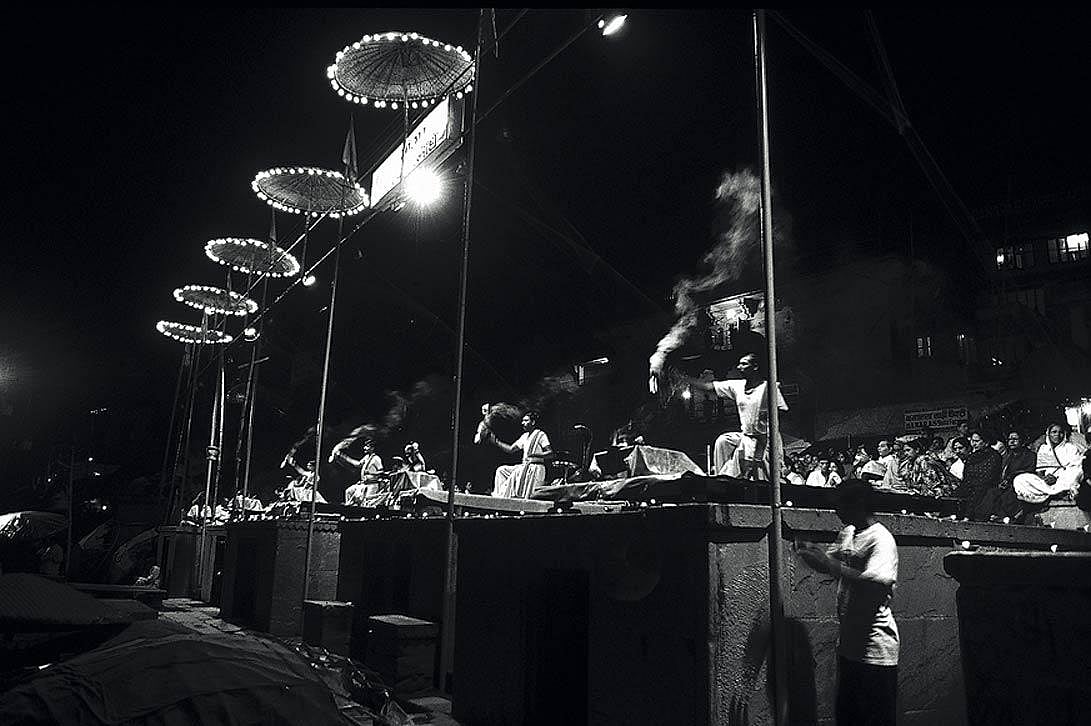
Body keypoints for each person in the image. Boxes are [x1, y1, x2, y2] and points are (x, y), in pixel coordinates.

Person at [796, 479, 899, 726]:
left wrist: (830, 564)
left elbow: (877, 585)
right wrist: (808, 552)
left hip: (876, 649)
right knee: (848, 718)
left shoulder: (881, 539)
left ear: (859, 504)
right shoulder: (849, 532)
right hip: (850, 646)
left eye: (842, 505)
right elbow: (829, 564)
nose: (837, 511)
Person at [683, 353, 788, 480]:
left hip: (766, 438)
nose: (739, 367)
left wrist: (763, 427)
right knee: (724, 441)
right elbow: (708, 387)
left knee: (762, 476)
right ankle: (721, 477)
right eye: (739, 364)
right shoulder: (737, 386)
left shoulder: (768, 388)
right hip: (746, 437)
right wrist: (684, 378)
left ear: (755, 367)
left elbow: (781, 410)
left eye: (744, 364)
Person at [479, 410, 552, 498]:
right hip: (525, 467)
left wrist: (536, 455)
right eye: (522, 420)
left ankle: (511, 498)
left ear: (533, 422)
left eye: (526, 420)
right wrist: (496, 441)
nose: (522, 423)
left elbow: (550, 453)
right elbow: (511, 449)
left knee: (516, 473)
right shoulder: (524, 436)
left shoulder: (540, 435)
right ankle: (500, 497)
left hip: (535, 468)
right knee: (501, 470)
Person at [956, 430, 1003, 520]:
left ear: (986, 442)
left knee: (978, 493)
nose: (974, 444)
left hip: (985, 486)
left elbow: (990, 476)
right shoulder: (972, 457)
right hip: (970, 485)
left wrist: (973, 483)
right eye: (972, 441)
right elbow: (966, 474)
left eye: (977, 441)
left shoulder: (994, 456)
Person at [1035, 422, 1086, 496]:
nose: (1057, 435)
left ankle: (1059, 491)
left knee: (1076, 473)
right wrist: (1043, 479)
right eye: (1054, 432)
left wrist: (1057, 478)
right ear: (1048, 434)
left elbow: (1076, 468)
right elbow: (1040, 470)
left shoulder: (1070, 448)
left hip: (1064, 478)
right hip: (1048, 480)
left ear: (1064, 434)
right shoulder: (1044, 449)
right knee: (1022, 479)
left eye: (1060, 432)